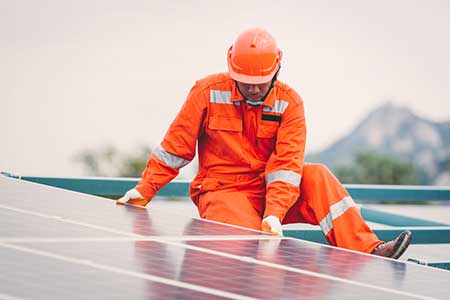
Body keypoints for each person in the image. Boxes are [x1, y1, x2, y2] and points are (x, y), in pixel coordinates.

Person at [117, 28, 411, 259]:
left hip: (271, 190)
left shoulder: (290, 102)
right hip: (223, 191)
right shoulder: (205, 92)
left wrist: (274, 212)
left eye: (261, 81)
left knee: (318, 175)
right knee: (247, 250)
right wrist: (144, 190)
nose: (254, 88)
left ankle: (369, 249)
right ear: (231, 68)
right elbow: (175, 148)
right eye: (245, 81)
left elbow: (287, 165)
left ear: (278, 68)